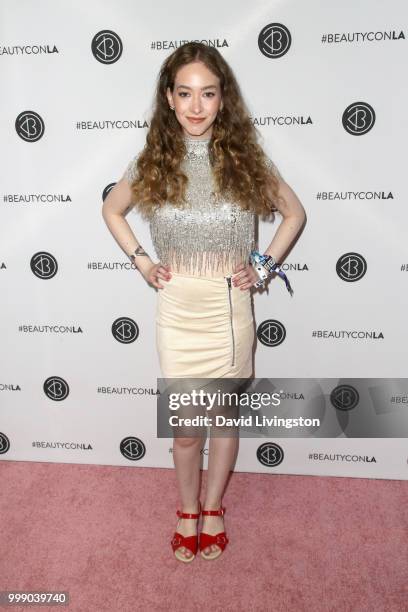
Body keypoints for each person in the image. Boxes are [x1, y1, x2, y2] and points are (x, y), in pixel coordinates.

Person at [102, 42, 306, 563]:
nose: (196, 106)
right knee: (186, 431)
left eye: (208, 94)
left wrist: (262, 268)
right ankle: (186, 508)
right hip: (177, 312)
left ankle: (213, 507)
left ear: (222, 100)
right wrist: (143, 262)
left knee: (223, 420)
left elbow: (295, 214)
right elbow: (112, 210)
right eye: (185, 93)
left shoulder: (244, 158)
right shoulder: (152, 161)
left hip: (228, 310)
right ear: (168, 99)